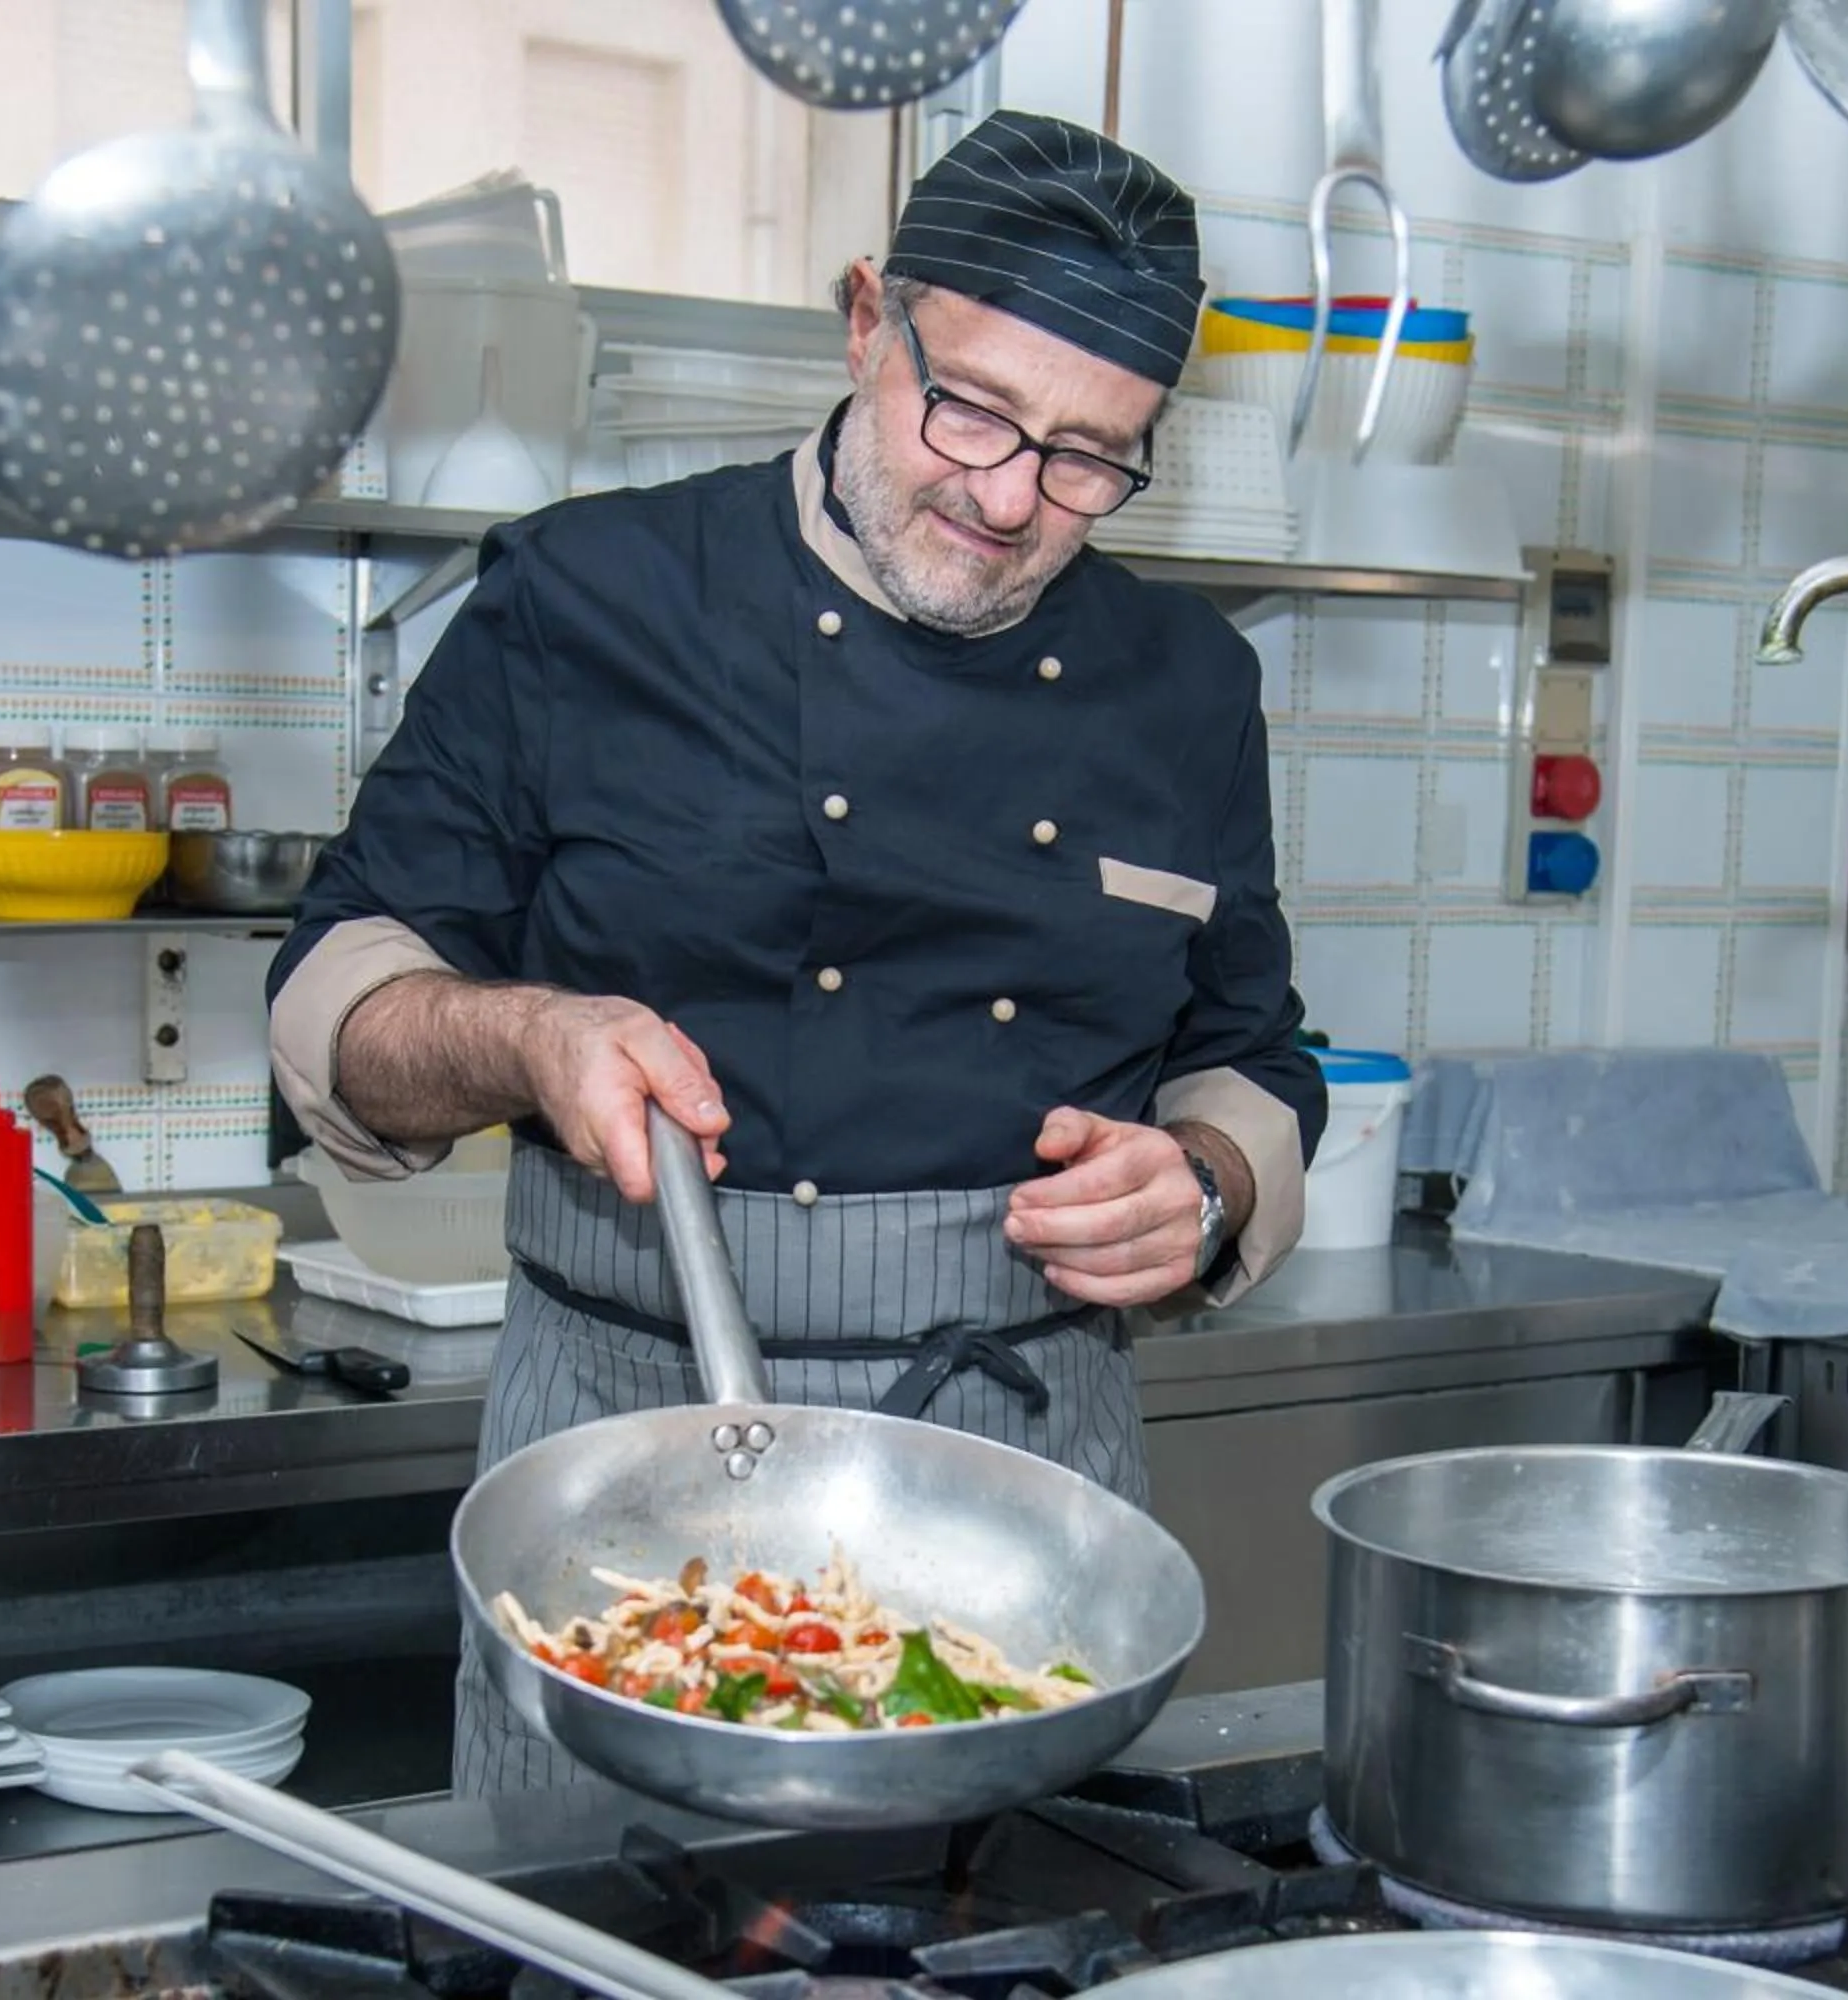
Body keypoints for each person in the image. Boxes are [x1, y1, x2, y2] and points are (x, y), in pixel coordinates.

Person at [268, 109, 1325, 1795]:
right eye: (967, 408)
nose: (1006, 496)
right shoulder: (582, 599)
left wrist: (1202, 1186)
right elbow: (343, 991)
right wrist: (526, 1036)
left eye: (1087, 456)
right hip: (619, 1451)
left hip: (1015, 1479)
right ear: (864, 321)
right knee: (585, 1947)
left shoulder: (1188, 684)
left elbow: (1251, 1050)